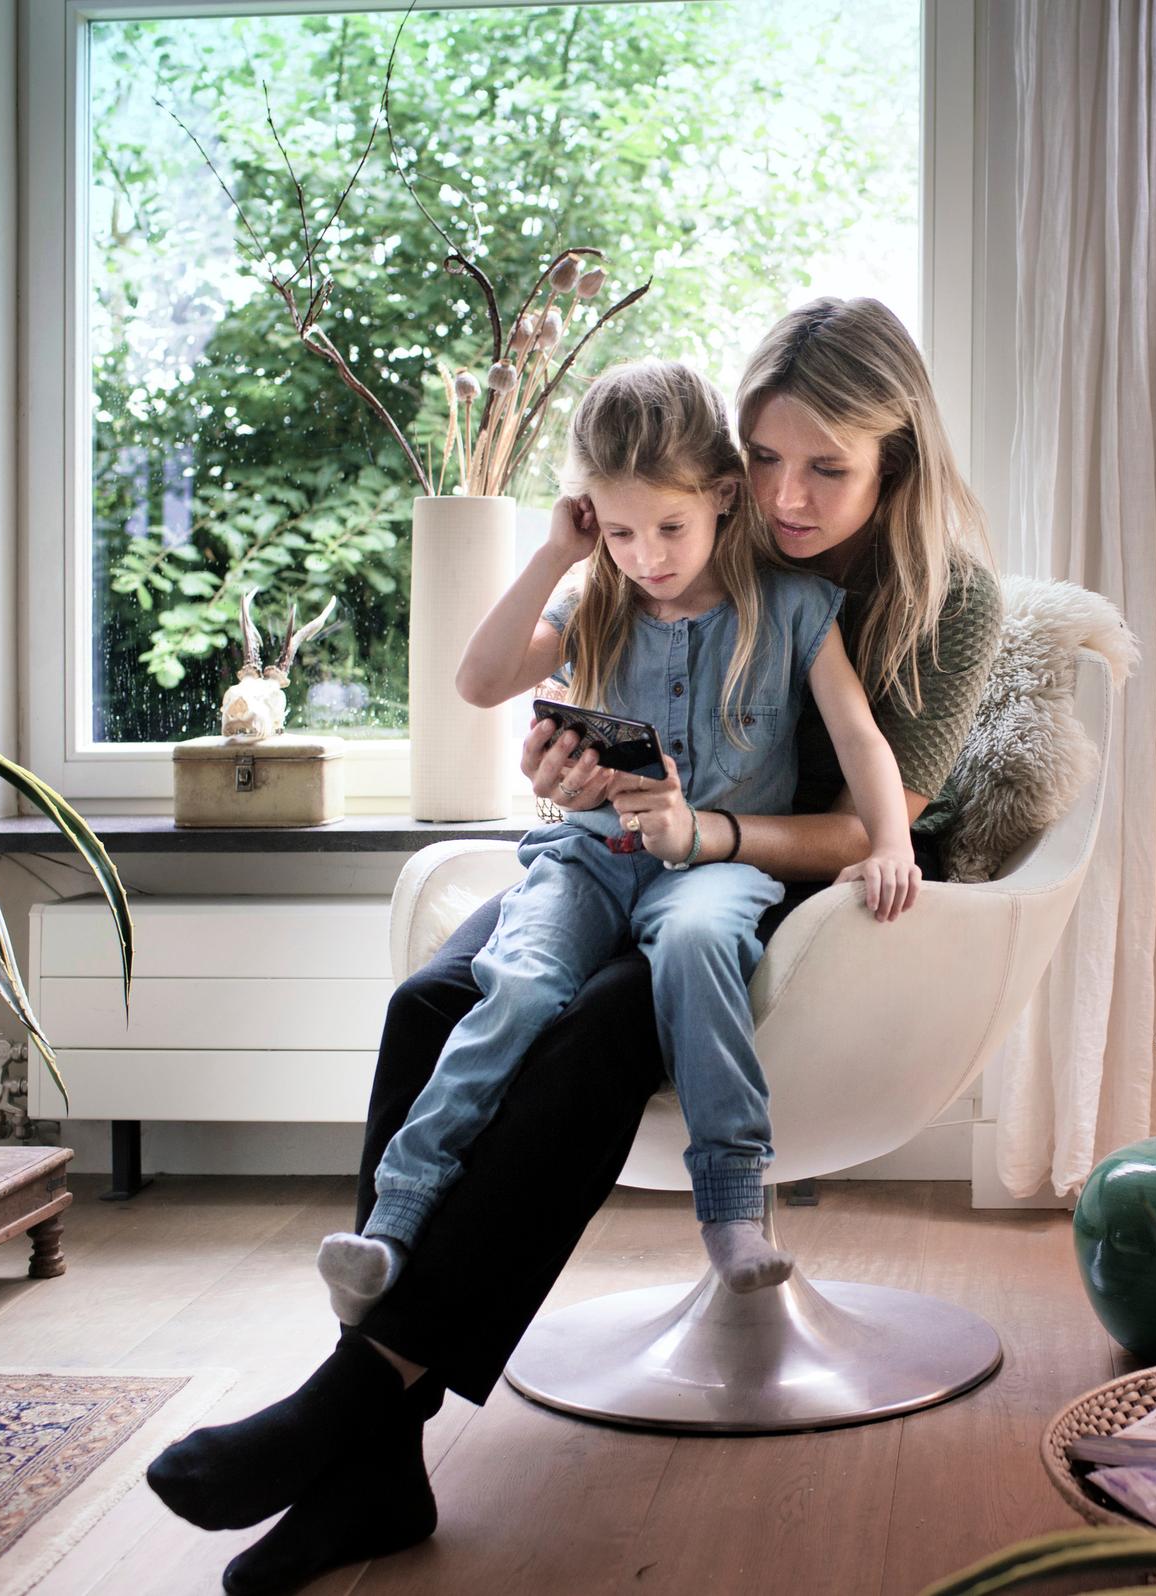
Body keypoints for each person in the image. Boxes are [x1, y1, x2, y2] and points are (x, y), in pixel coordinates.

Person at [146, 300, 1000, 1596]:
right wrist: (574, 767)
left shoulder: (945, 602)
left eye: (828, 465)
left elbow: (869, 829)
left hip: (794, 902)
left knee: (603, 1028)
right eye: (765, 460)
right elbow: (578, 692)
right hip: (622, 853)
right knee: (436, 1001)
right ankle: (378, 1459)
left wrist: (704, 829)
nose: (787, 493)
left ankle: (349, 1408)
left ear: (901, 456)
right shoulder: (695, 551)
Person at [312, 358, 921, 1324]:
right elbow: (477, 682)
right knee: (518, 984)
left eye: (671, 528)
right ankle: (395, 1218)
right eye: (622, 530)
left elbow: (857, 735)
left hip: (713, 869)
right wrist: (557, 555)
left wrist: (891, 842)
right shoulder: (592, 595)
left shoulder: (793, 608)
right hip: (587, 860)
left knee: (695, 943)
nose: (647, 555)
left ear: (724, 496)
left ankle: (730, 1210)